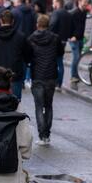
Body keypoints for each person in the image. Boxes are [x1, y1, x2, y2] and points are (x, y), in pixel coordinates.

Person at [26, 15, 63, 146]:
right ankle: (47, 134)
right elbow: (60, 53)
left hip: (37, 75)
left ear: (37, 24)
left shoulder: (31, 39)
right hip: (51, 75)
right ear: (48, 25)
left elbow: (28, 56)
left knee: (38, 107)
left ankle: (42, 135)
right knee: (48, 106)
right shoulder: (55, 38)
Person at [0, 10, 30, 101]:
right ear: (13, 21)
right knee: (15, 102)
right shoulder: (21, 36)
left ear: (0, 21)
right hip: (14, 73)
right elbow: (27, 55)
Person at [49, 0, 72, 91]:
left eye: (53, 2)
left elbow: (52, 25)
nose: (52, 5)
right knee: (60, 62)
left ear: (57, 3)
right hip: (64, 40)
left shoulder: (56, 13)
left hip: (55, 41)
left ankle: (55, 82)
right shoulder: (68, 13)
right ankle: (59, 83)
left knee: (54, 62)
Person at [69, 0, 88, 85]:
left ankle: (76, 75)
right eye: (84, 2)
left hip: (80, 38)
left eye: (86, 2)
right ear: (79, 2)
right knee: (76, 57)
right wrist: (71, 36)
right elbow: (69, 25)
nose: (86, 4)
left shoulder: (84, 12)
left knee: (78, 57)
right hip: (74, 38)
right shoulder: (74, 13)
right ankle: (73, 76)